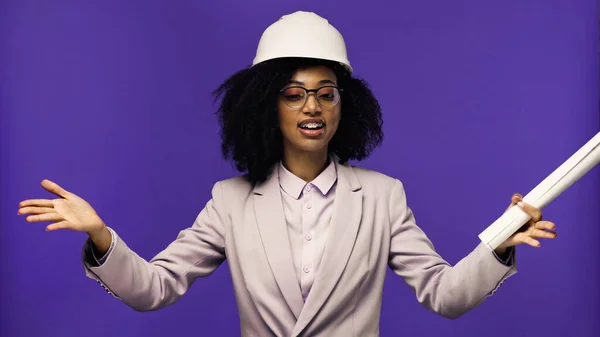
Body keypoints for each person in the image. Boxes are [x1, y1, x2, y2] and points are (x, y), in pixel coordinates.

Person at [17, 11, 557, 337]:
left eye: (326, 94)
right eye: (294, 94)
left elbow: (445, 296)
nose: (312, 107)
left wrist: (498, 247)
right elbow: (155, 288)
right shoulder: (230, 201)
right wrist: (100, 235)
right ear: (267, 107)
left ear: (345, 107)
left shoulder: (383, 196)